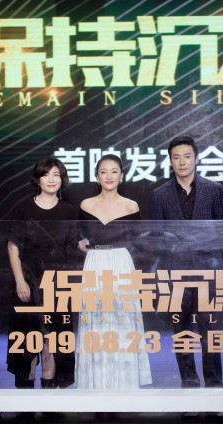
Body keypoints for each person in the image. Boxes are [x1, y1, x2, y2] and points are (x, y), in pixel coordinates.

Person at [150, 135, 223, 388]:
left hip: (208, 271)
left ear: (197, 158)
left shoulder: (214, 190)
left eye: (186, 156)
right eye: (176, 157)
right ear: (170, 161)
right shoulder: (159, 195)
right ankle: (189, 382)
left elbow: (222, 233)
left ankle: (214, 383)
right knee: (181, 331)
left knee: (210, 330)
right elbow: (158, 237)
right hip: (175, 272)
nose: (182, 162)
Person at [75, 154, 152, 389]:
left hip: (121, 263)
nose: (109, 176)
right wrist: (82, 245)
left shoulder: (131, 206)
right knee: (94, 318)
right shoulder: (86, 205)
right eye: (103, 172)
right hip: (95, 262)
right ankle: (95, 382)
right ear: (97, 176)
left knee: (123, 318)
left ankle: (124, 382)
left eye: (114, 171)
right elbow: (79, 238)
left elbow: (140, 240)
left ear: (122, 176)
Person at [6, 157, 79, 389]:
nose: (51, 179)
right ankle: (26, 395)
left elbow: (74, 246)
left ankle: (49, 393)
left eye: (56, 174)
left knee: (53, 339)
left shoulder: (69, 211)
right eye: (46, 174)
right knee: (28, 339)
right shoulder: (24, 208)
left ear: (62, 179)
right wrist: (20, 281)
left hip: (59, 283)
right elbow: (13, 246)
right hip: (29, 280)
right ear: (37, 179)